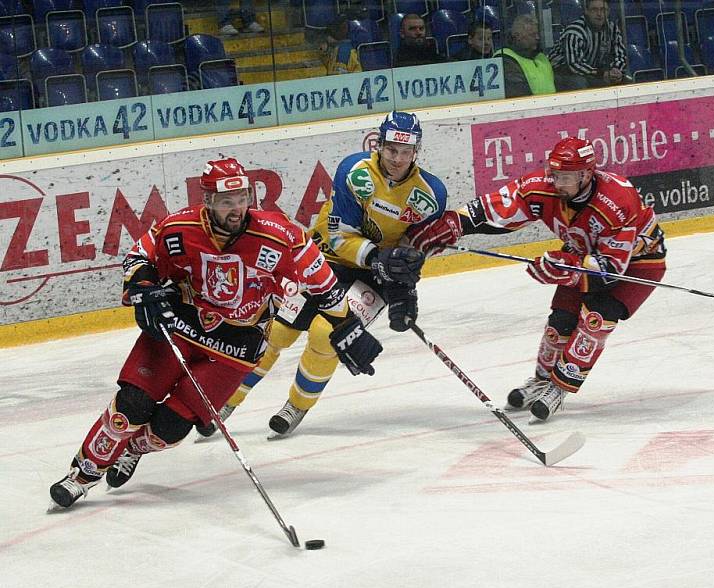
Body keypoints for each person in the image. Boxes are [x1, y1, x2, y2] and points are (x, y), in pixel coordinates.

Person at [49, 158, 382, 509]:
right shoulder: (178, 227)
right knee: (132, 405)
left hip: (237, 345)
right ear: (208, 201)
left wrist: (346, 325)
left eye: (242, 198)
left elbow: (324, 284)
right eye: (227, 201)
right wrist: (143, 286)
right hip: (178, 325)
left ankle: (129, 451)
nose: (237, 208)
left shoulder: (280, 235)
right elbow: (138, 257)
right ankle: (81, 476)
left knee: (171, 427)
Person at [195, 111, 448, 440]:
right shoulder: (355, 172)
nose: (397, 159)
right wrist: (380, 256)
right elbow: (341, 238)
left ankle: (297, 404)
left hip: (375, 276)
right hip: (325, 260)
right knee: (277, 334)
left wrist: (404, 291)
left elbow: (413, 252)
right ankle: (227, 400)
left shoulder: (431, 194)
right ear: (379, 145)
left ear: (416, 151)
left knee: (324, 336)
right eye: (390, 150)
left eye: (405, 152)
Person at [406, 137, 666, 423]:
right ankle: (541, 381)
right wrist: (457, 222)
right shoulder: (544, 187)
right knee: (560, 323)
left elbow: (611, 269)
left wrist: (567, 268)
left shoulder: (617, 200)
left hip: (637, 265)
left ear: (586, 174)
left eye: (565, 177)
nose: (557, 182)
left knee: (597, 317)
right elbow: (498, 208)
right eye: (554, 174)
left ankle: (559, 388)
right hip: (580, 255)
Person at [548, 0, 627, 90]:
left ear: (608, 11)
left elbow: (620, 54)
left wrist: (616, 70)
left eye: (603, 10)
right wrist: (602, 74)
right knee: (580, 83)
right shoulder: (575, 31)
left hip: (593, 71)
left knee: (625, 82)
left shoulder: (611, 28)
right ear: (586, 11)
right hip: (561, 72)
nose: (599, 14)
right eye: (594, 9)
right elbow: (574, 64)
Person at [493, 14, 556, 98]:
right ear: (517, 36)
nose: (537, 38)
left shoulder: (541, 57)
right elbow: (516, 92)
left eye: (537, 34)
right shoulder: (505, 58)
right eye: (532, 35)